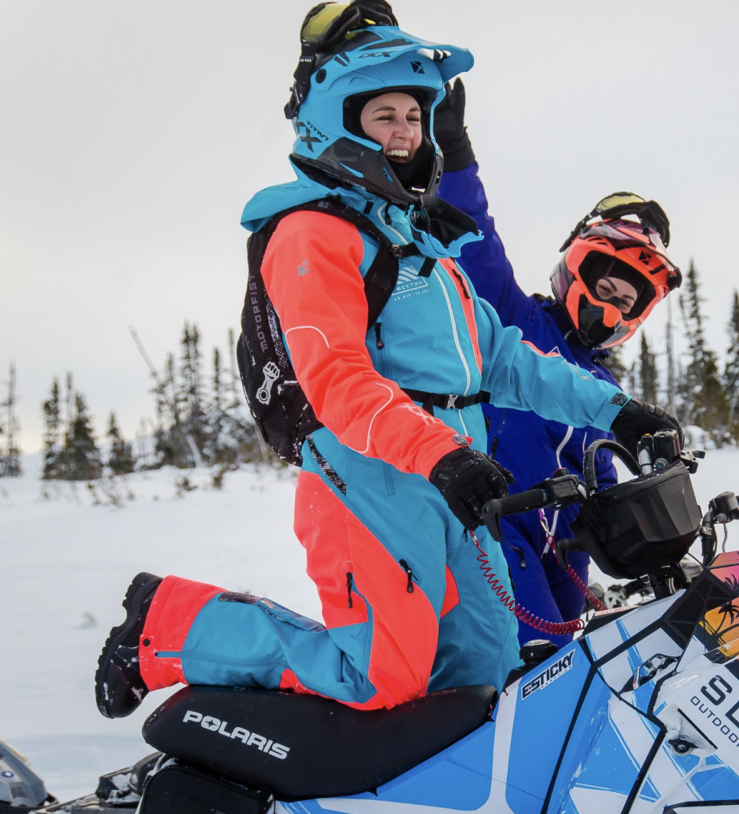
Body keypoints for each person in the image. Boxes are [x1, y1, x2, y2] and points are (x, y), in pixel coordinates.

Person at [93, 0, 679, 718]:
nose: (404, 133)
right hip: (367, 477)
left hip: (453, 475)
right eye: (384, 117)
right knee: (380, 676)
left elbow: (504, 358)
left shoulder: (423, 246)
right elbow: (336, 378)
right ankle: (165, 626)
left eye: (412, 116)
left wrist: (619, 412)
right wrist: (440, 455)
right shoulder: (313, 232)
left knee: (487, 672)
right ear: (341, 121)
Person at [432, 80, 682, 647]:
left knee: (575, 670)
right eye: (607, 288)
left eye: (626, 303)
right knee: (534, 673)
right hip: (498, 527)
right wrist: (454, 152)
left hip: (567, 549)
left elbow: (601, 468)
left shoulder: (601, 384)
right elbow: (475, 239)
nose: (611, 308)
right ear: (578, 270)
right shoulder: (512, 317)